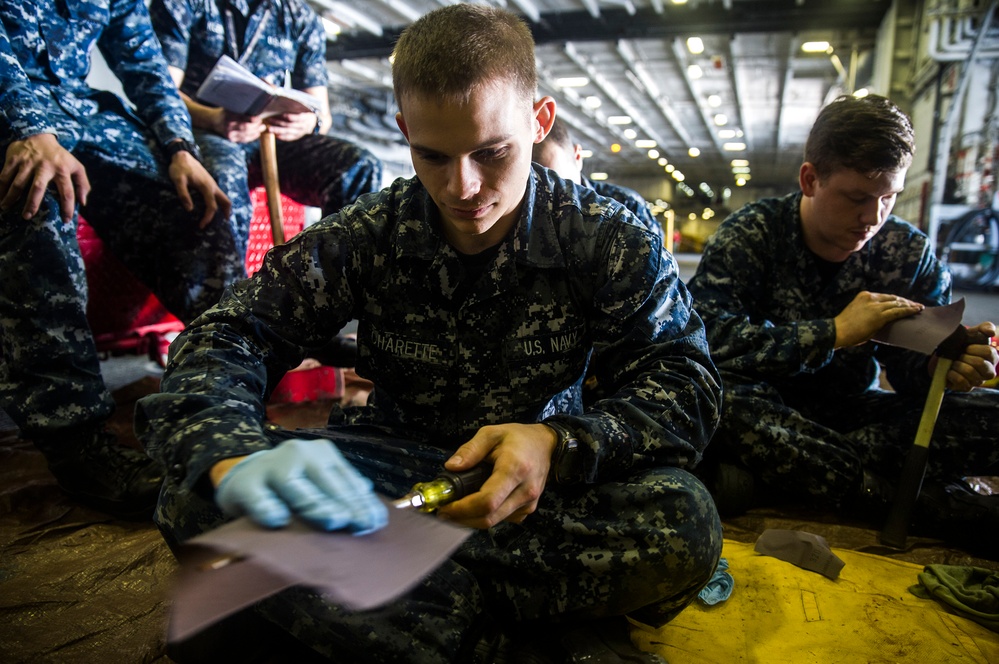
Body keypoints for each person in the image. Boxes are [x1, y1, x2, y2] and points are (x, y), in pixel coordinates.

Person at [136, 4, 724, 662]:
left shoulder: (603, 234)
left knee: (683, 519)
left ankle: (379, 614)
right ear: (404, 131)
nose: (461, 186)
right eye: (431, 155)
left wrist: (558, 443)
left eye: (491, 152)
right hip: (393, 486)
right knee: (194, 496)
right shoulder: (370, 232)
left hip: (536, 496)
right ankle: (493, 639)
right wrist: (236, 454)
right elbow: (224, 336)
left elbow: (685, 383)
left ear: (539, 121)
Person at [687, 93, 999, 549]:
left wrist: (944, 367)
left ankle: (786, 480)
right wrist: (832, 334)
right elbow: (704, 340)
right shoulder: (752, 235)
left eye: (889, 198)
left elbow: (913, 374)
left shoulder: (908, 253)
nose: (873, 217)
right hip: (764, 412)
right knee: (714, 398)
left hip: (849, 420)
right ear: (810, 179)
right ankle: (911, 504)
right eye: (856, 198)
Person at [0, 0, 246, 520]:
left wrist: (181, 148)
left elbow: (145, 65)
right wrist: (25, 128)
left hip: (78, 109)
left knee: (196, 199)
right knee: (35, 194)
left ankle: (222, 380)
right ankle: (77, 442)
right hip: (9, 106)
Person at [149, 0, 383, 268]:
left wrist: (307, 122)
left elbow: (322, 114)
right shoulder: (186, 3)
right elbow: (162, 90)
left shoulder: (299, 16)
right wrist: (213, 119)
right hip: (205, 130)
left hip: (273, 138)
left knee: (359, 166)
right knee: (225, 174)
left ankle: (331, 286)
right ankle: (228, 299)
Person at [533, 116, 665, 244]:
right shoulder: (526, 213)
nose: (549, 199)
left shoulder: (627, 205)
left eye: (559, 185)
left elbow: (655, 260)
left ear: (578, 156)